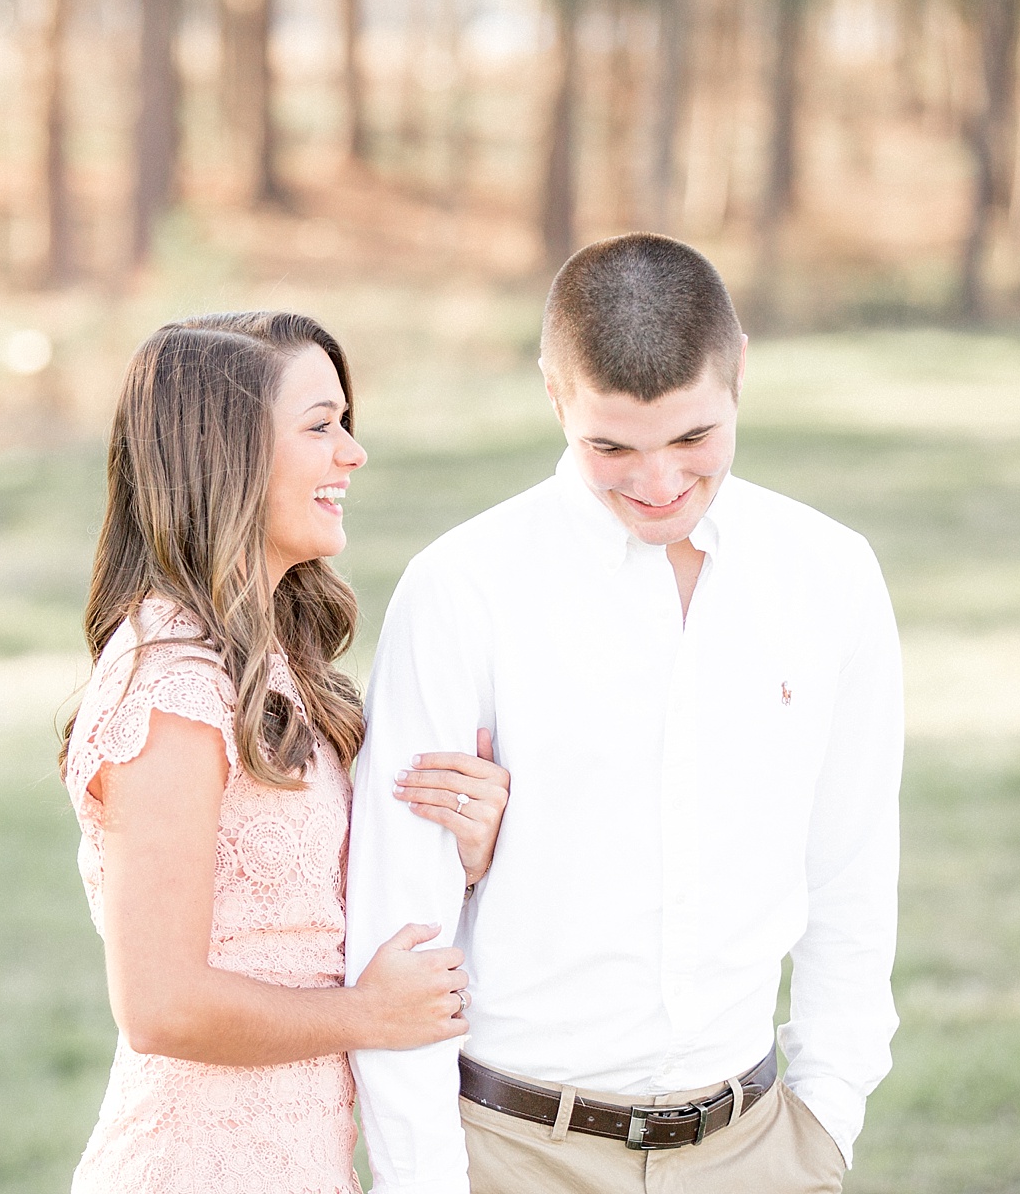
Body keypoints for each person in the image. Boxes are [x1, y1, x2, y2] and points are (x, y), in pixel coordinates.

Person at [344, 233, 904, 1194]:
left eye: (693, 439)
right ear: (556, 399)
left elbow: (850, 866)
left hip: (758, 1149)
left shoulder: (830, 574)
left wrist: (826, 1124)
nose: (656, 484)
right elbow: (401, 929)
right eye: (610, 445)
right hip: (513, 1151)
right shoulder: (461, 590)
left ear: (738, 380)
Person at [59, 310, 516, 1194]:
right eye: (320, 427)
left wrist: (464, 844)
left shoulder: (275, 664)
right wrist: (367, 1016)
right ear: (225, 457)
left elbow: (310, 913)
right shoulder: (173, 686)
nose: (353, 453)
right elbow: (159, 1005)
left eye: (346, 423)